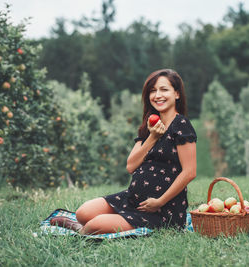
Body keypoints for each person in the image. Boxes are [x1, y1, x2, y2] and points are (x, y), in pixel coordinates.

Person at [50, 69, 197, 235]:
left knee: (94, 225)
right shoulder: (149, 125)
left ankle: (82, 228)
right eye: (153, 91)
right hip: (133, 199)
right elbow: (131, 166)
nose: (157, 95)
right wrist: (153, 136)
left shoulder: (182, 125)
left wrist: (159, 201)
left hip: (163, 209)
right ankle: (87, 225)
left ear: (177, 94)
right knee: (83, 213)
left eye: (164, 90)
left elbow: (190, 172)